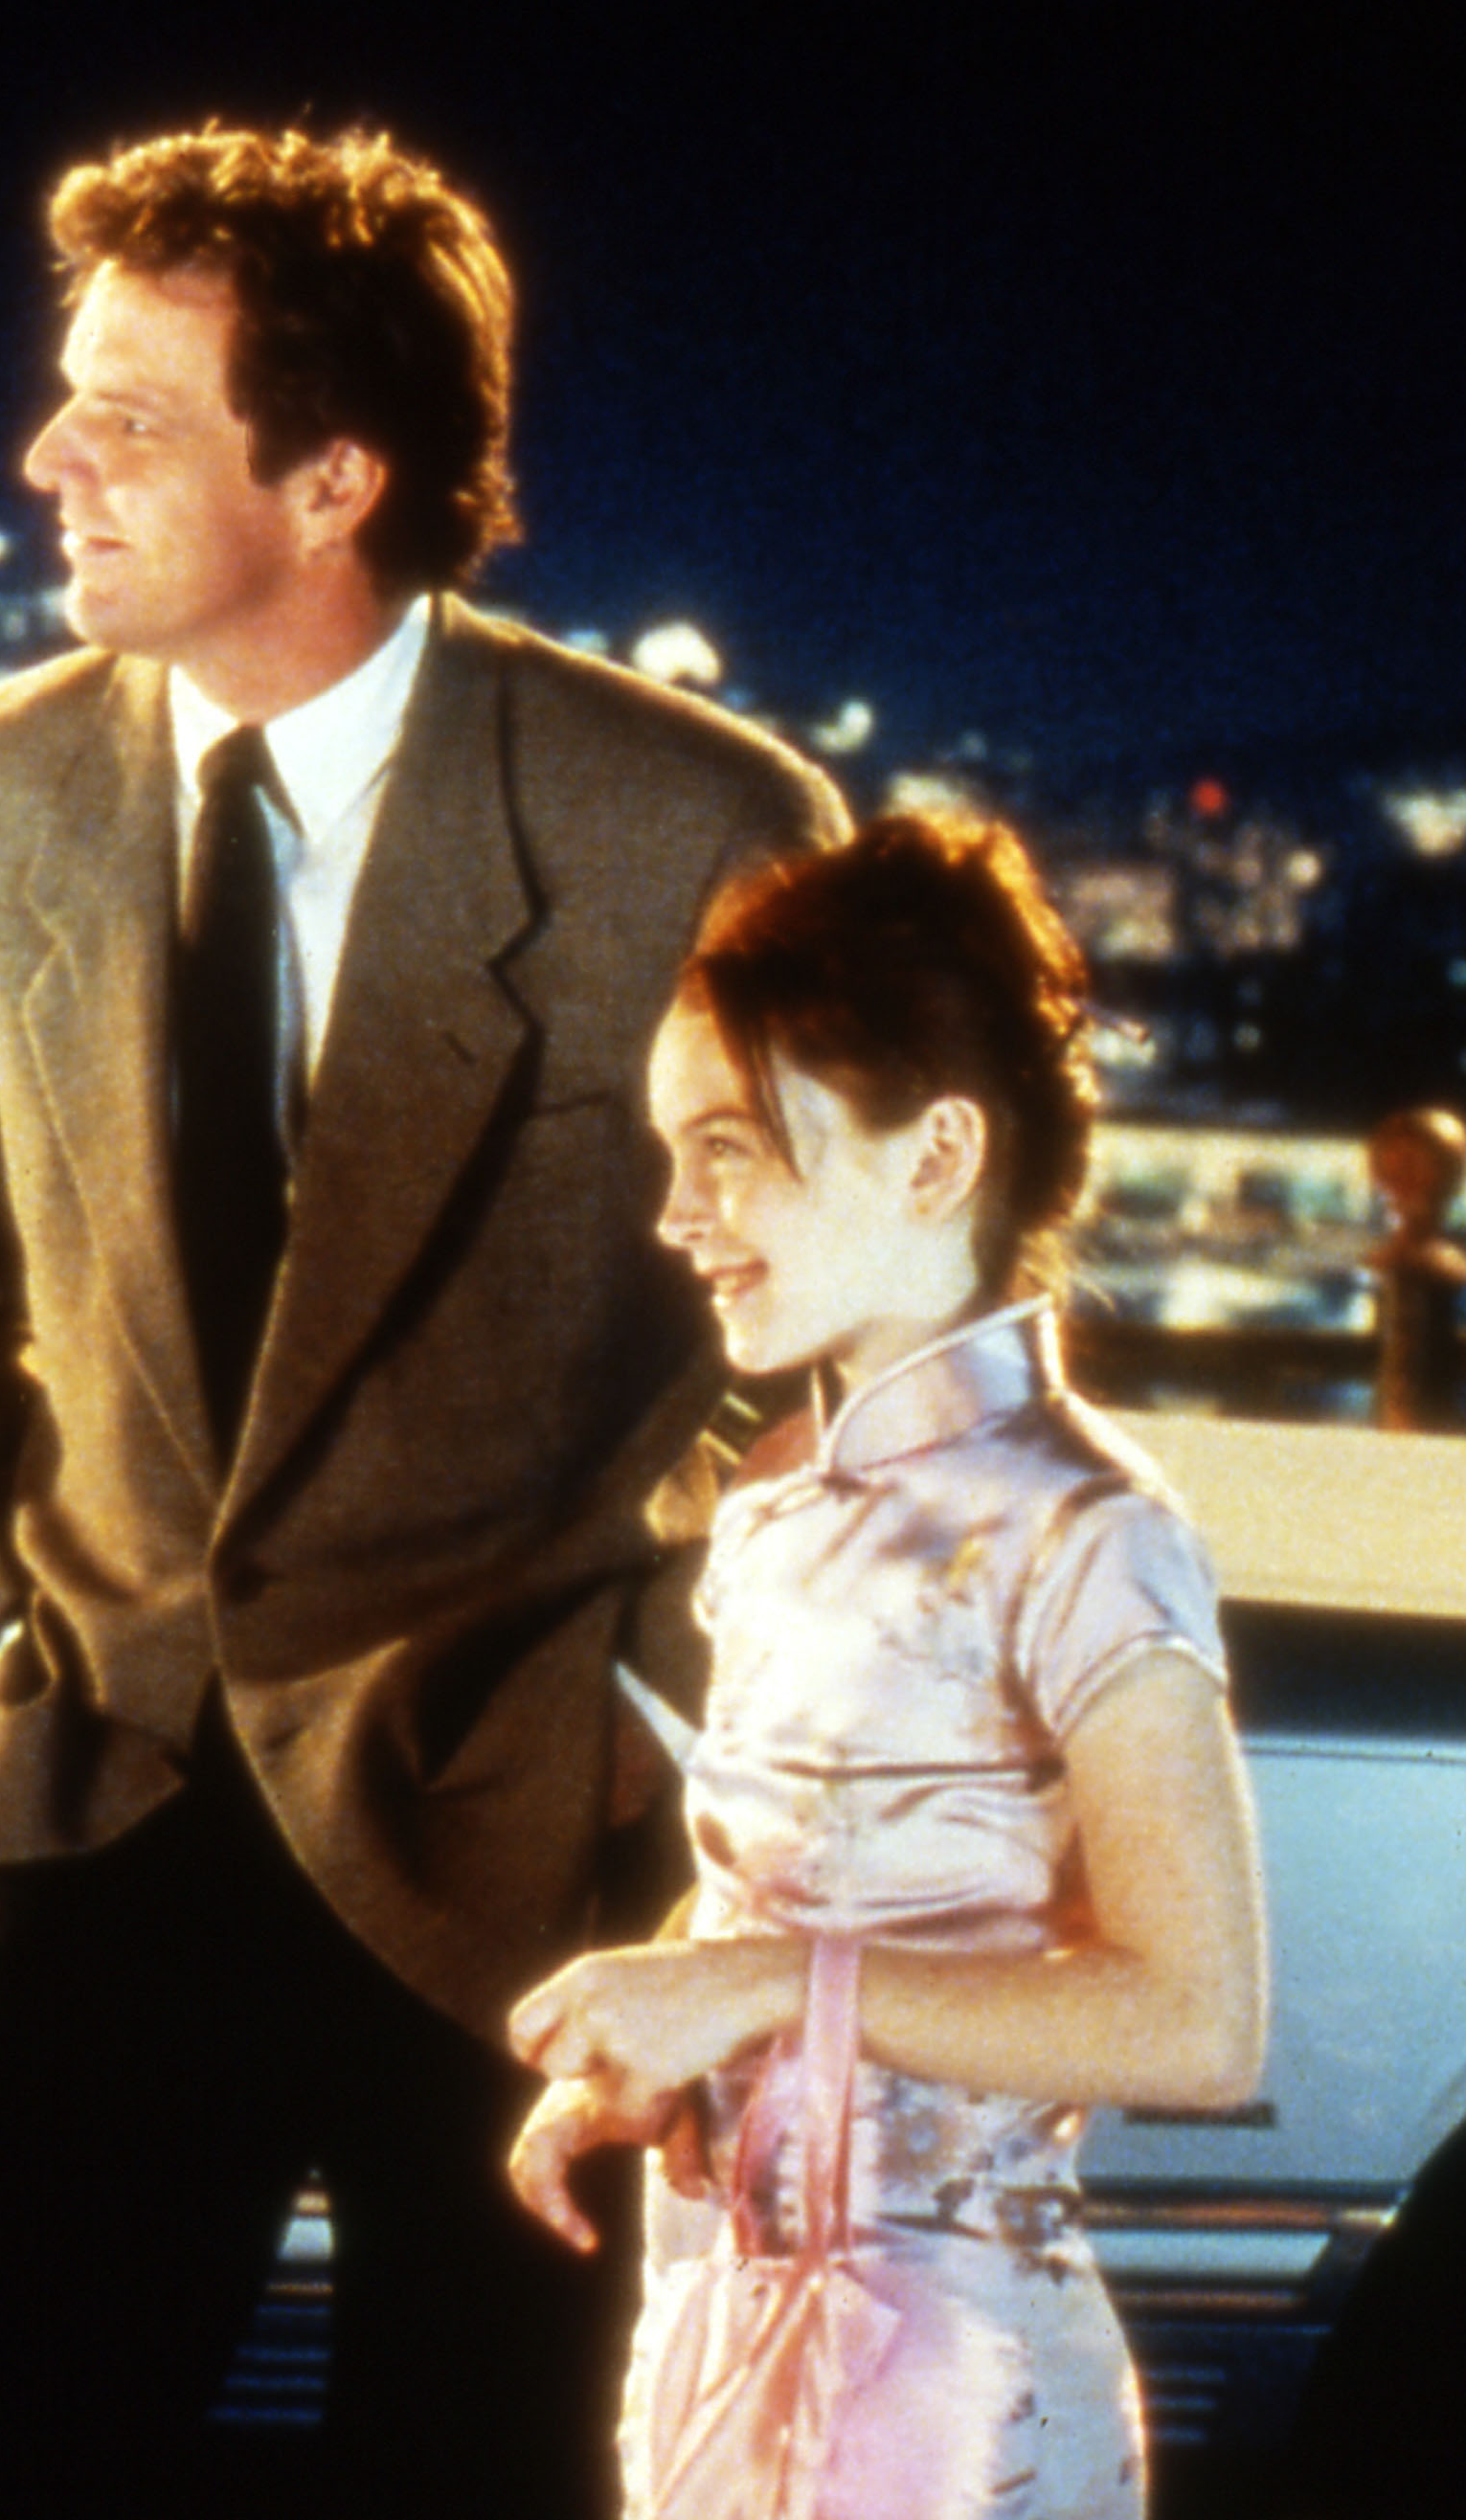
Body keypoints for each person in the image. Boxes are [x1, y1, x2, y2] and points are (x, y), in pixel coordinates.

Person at [0, 121, 848, 2517]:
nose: (41, 455)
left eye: (126, 413)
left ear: (327, 476)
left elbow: (818, 1348)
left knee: (494, 2469)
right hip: (114, 1792)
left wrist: (643, 1706)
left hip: (529, 1830)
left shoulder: (685, 817)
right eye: (62, 395)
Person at [505, 813, 1271, 2516]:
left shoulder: (1087, 1527)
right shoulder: (781, 1497)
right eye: (672, 1152)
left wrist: (759, 1987)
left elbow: (1200, 2019)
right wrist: (668, 2050)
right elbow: (807, 1896)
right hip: (727, 2339)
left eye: (729, 1150)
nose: (678, 1215)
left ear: (936, 1158)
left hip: (951, 2410)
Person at [1365, 1103, 1466, 1431]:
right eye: (1393, 1167)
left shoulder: (1437, 1266)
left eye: (1414, 1166)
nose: (1401, 1181)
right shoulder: (1393, 1261)